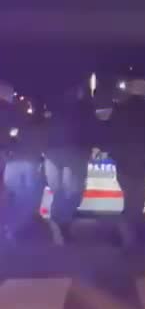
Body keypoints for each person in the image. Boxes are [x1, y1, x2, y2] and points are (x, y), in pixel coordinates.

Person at [106, 79, 145, 247]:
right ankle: (128, 233)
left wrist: (113, 153)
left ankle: (127, 232)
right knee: (138, 198)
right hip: (141, 159)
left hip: (123, 160)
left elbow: (111, 133)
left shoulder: (119, 109)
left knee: (131, 197)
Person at [43, 82, 95, 244]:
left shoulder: (54, 106)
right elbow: (91, 129)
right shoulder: (84, 108)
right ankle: (61, 224)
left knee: (62, 191)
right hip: (72, 151)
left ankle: (59, 224)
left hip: (56, 151)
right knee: (71, 191)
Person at [2, 95, 46, 242]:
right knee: (22, 198)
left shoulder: (20, 123)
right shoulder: (19, 122)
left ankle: (13, 229)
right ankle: (13, 229)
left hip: (20, 162)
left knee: (19, 197)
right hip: (23, 163)